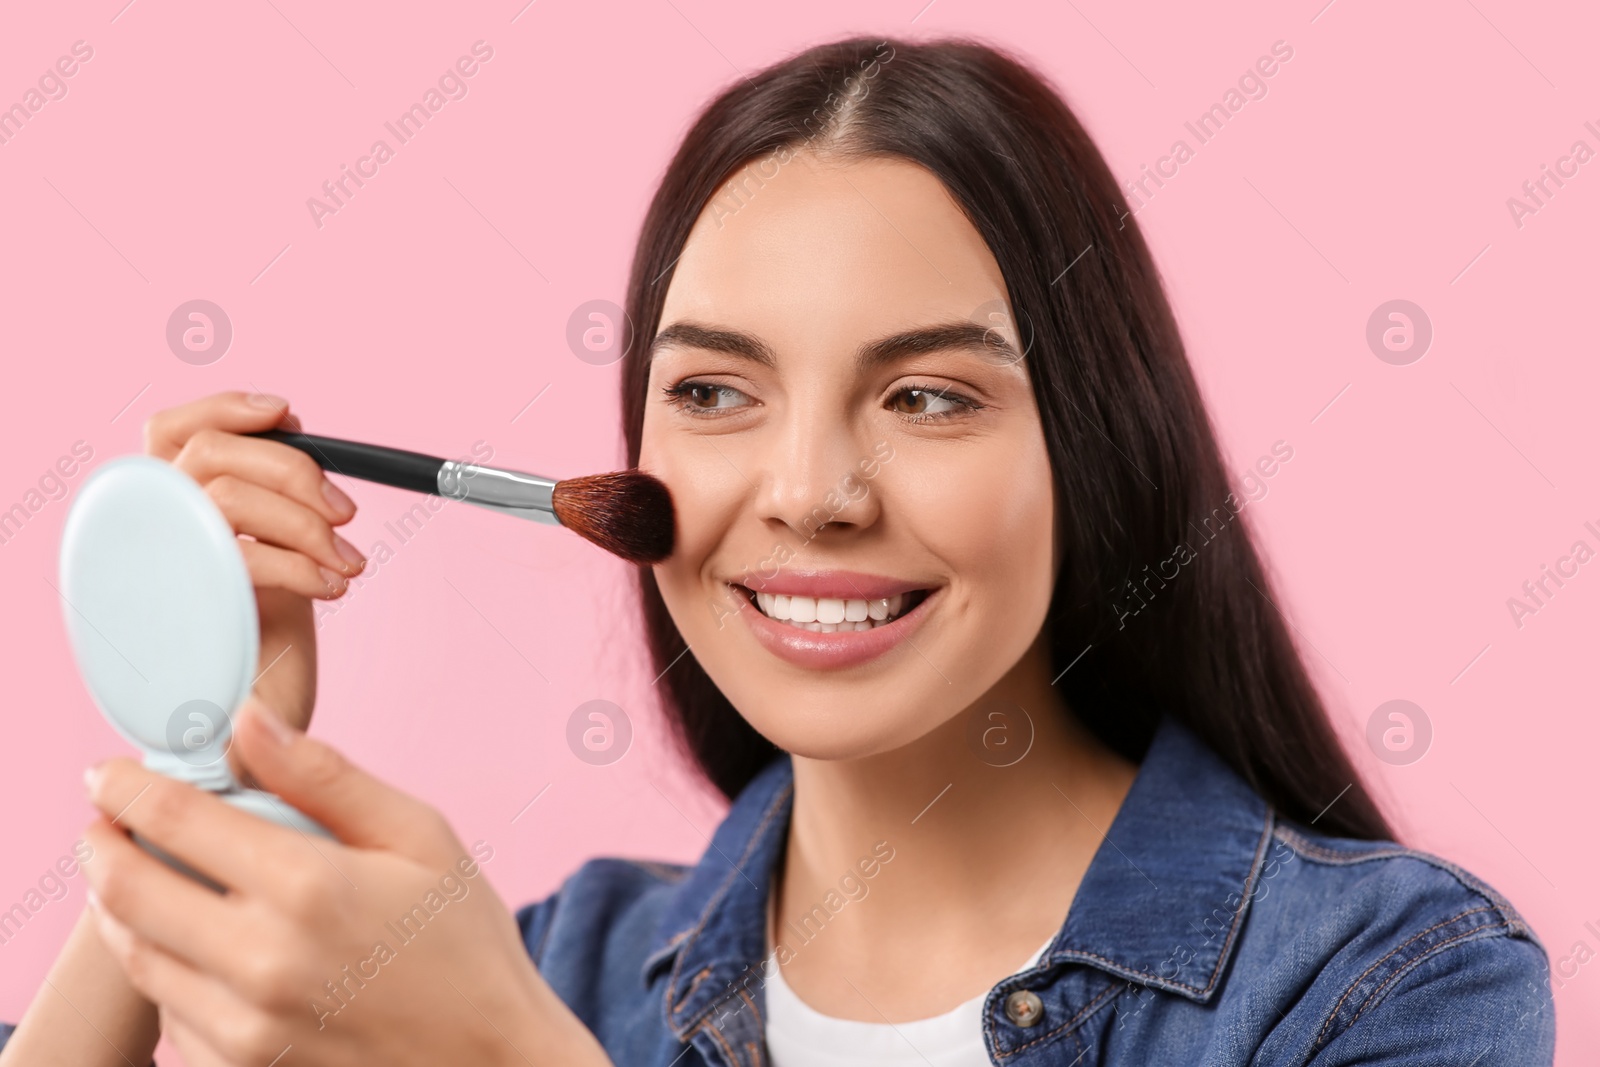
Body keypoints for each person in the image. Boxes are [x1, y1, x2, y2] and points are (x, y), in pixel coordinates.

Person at [0, 35, 1555, 1067]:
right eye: (716, 393)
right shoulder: (570, 958)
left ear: (1091, 437)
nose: (807, 493)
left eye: (928, 395)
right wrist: (204, 740)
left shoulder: (1387, 984)